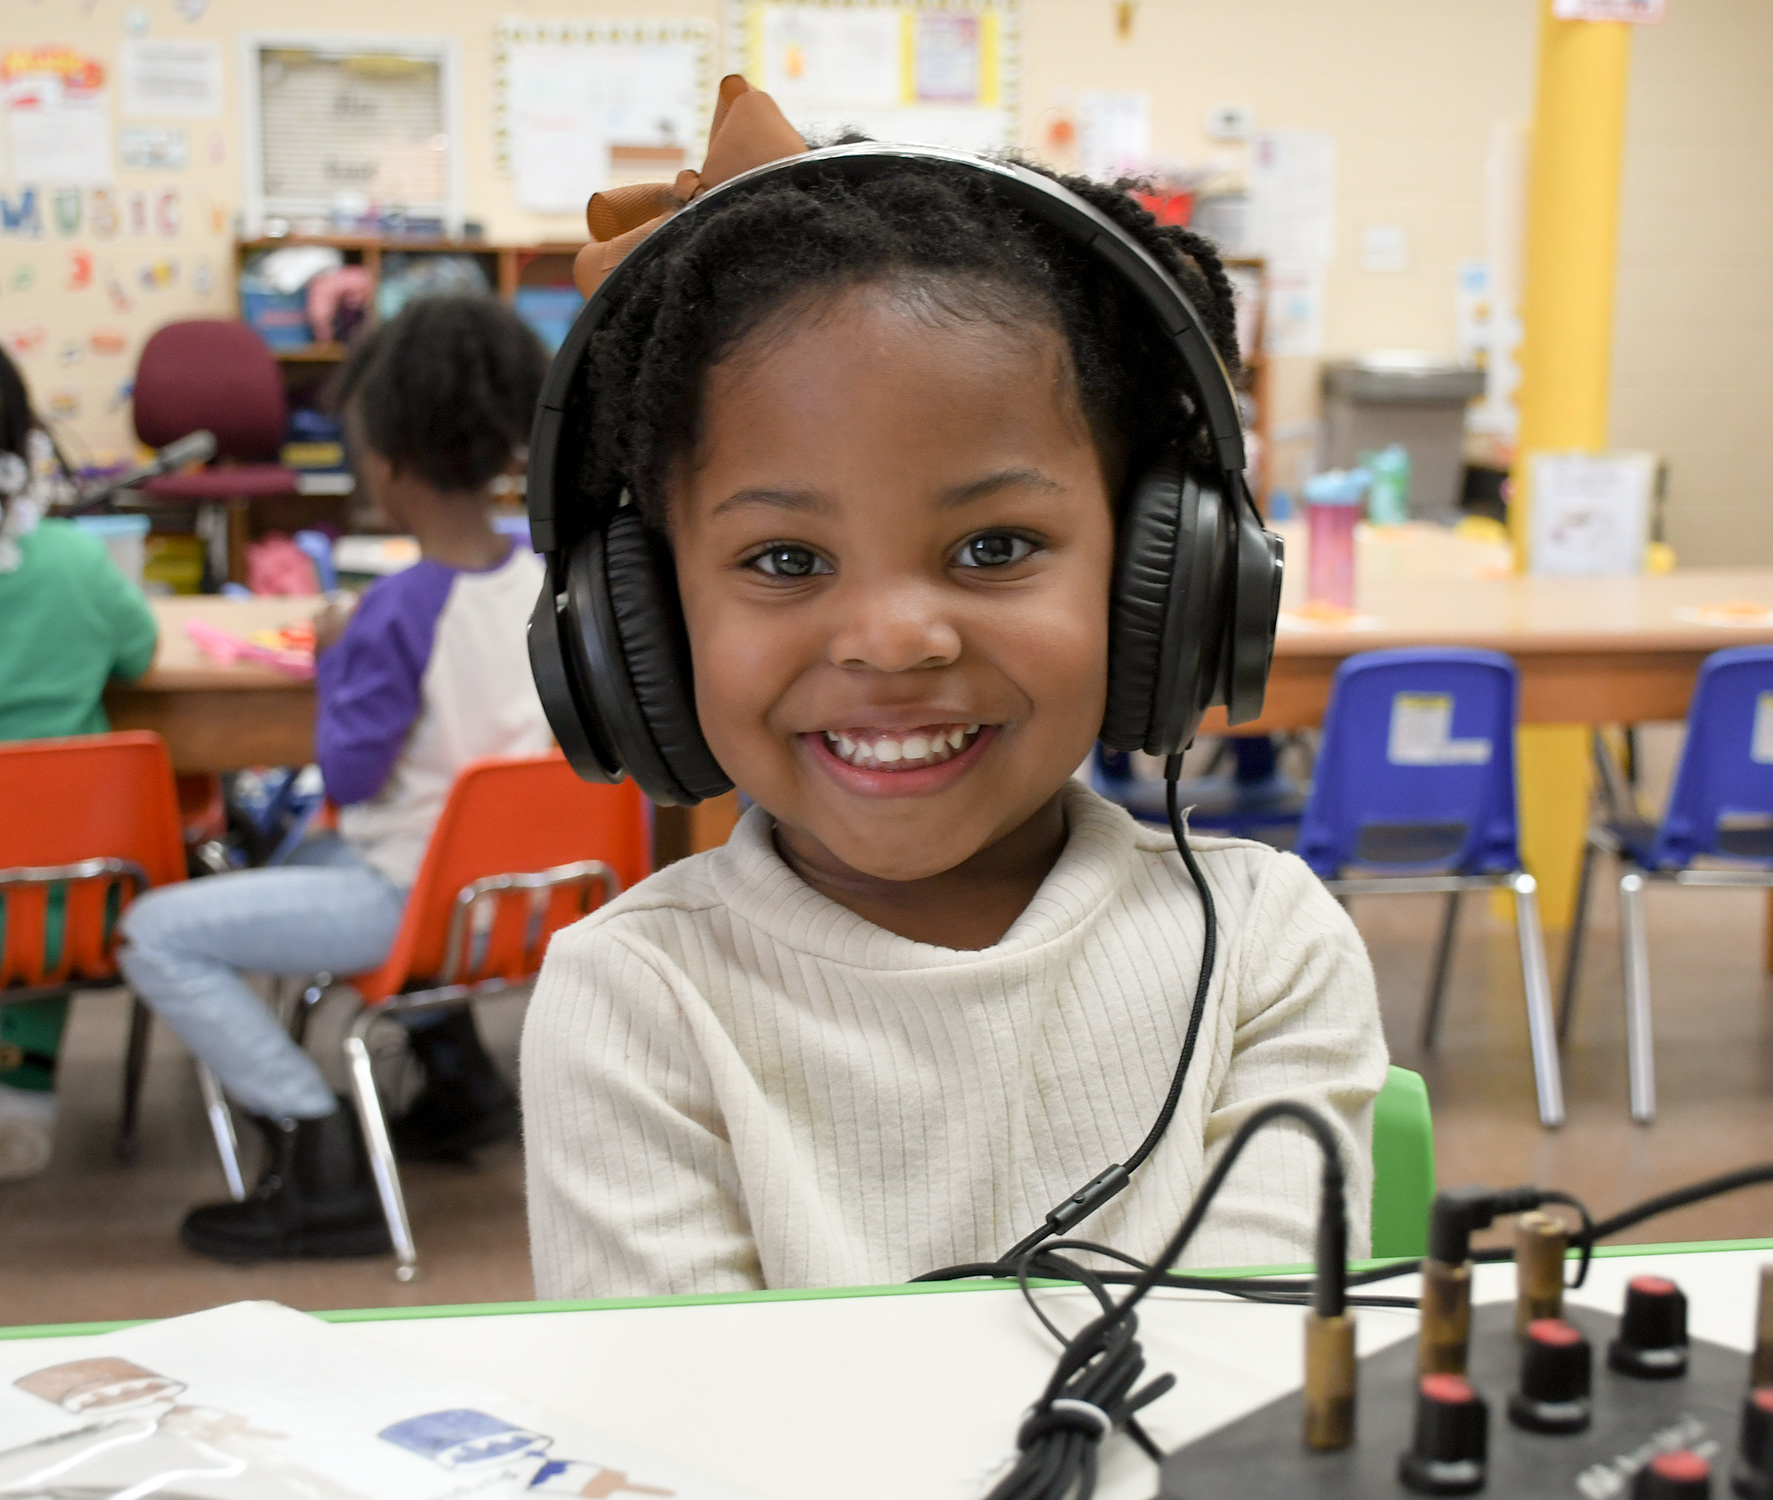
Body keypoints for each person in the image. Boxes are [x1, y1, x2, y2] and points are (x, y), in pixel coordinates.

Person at [521, 80, 1388, 1298]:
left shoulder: (1261, 946)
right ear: (641, 623)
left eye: (994, 548)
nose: (893, 640)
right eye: (785, 561)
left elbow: (1248, 1404)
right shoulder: (633, 999)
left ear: (1171, 585)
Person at [117, 295, 554, 1261]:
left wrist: (339, 661)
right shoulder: (545, 574)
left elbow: (353, 776)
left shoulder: (395, 612)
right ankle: (458, 1078)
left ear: (386, 464)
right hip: (528, 903)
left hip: (413, 903)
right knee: (319, 844)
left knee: (154, 932)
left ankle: (319, 1154)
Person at [0, 347, 160, 1181]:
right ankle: (22, 1086)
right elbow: (142, 653)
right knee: (41, 866)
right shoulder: (74, 566)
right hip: (65, 908)